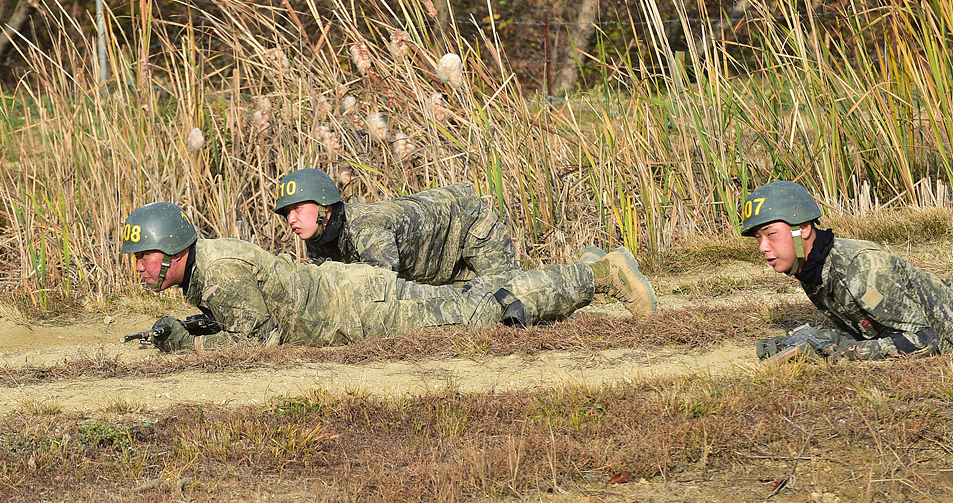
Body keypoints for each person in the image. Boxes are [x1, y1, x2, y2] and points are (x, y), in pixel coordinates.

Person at [120, 201, 644, 352]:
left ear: (170, 249)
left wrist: (187, 347)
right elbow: (242, 320)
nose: (139, 266)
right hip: (352, 298)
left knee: (487, 310)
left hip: (362, 310)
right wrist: (191, 328)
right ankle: (584, 269)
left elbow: (260, 340)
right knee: (476, 303)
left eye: (144, 255)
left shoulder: (218, 271)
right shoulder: (206, 267)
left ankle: (599, 274)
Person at [272, 168, 657, 317]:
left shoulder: (367, 230)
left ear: (325, 205)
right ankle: (588, 264)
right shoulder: (322, 239)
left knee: (514, 305)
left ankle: (606, 271)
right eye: (285, 212)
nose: (291, 219)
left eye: (297, 208)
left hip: (468, 228)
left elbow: (377, 299)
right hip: (439, 261)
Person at [741, 180, 953, 362]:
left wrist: (845, 353)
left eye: (771, 234)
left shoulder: (862, 268)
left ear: (803, 228)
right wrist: (817, 341)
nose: (763, 247)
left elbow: (926, 338)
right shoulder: (811, 268)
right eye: (759, 237)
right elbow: (867, 328)